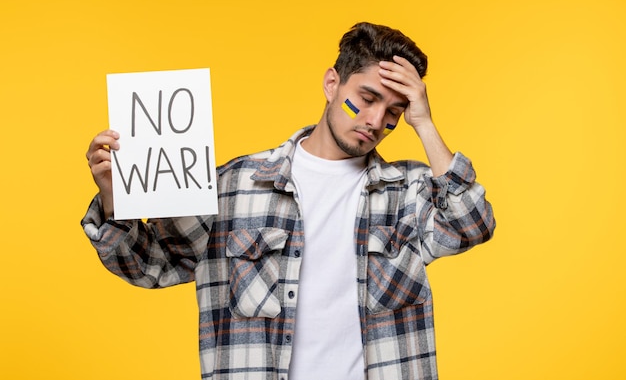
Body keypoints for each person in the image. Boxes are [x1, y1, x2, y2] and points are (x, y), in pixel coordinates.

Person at [83, 21, 496, 380]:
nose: (376, 121)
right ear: (332, 83)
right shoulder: (233, 188)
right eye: (367, 98)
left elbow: (470, 224)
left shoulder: (408, 193)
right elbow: (148, 265)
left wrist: (423, 121)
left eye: (395, 111)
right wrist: (114, 200)